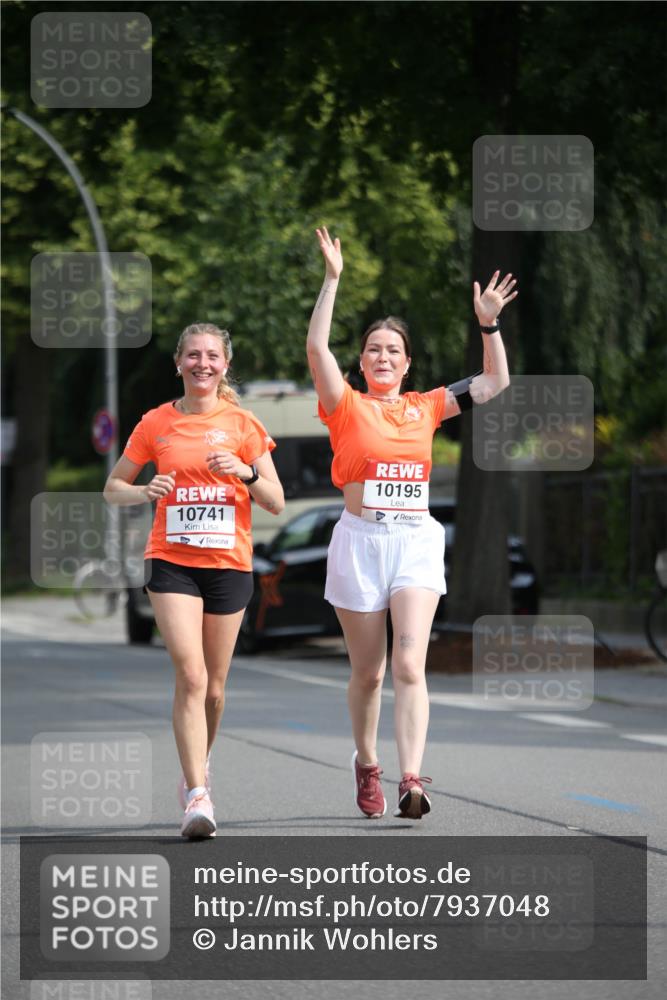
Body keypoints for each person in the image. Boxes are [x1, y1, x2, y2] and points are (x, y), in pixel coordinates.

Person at [307, 227, 515, 820]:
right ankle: (367, 762)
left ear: (407, 363)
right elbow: (317, 352)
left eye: (393, 350)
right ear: (362, 360)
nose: (382, 356)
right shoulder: (343, 403)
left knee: (408, 665)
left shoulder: (427, 405)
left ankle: (411, 779)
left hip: (415, 541)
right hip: (358, 542)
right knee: (369, 674)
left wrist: (489, 324)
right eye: (373, 348)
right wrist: (332, 281)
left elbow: (495, 383)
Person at [104, 322, 284, 838]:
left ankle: (195, 773)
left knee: (216, 690)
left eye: (212, 356)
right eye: (192, 355)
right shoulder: (155, 423)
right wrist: (144, 492)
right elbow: (114, 486)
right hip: (172, 563)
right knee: (193, 674)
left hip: (229, 566)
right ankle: (198, 794)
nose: (202, 364)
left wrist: (245, 473)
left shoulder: (244, 424)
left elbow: (276, 499)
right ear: (178, 362)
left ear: (225, 365)